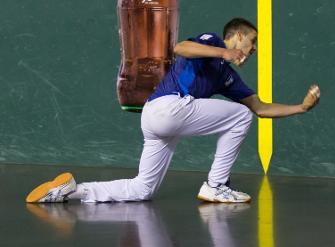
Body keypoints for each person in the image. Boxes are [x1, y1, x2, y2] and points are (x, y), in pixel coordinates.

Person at [25, 17, 320, 204]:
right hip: (167, 107)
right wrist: (223, 51)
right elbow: (180, 48)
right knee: (238, 116)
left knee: (142, 190)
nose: (253, 49)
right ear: (238, 36)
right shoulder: (213, 42)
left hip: (159, 119)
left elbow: (260, 108)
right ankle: (216, 185)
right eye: (252, 42)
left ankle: (70, 192)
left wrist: (301, 107)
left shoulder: (227, 77)